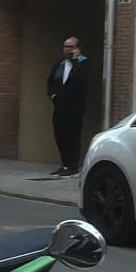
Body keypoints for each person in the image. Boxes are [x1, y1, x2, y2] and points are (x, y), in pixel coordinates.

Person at [47, 35, 90, 177]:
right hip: (59, 107)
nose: (67, 50)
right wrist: (52, 95)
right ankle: (65, 164)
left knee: (72, 136)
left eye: (70, 47)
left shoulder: (83, 63)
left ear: (78, 49)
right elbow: (51, 80)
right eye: (65, 46)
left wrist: (76, 59)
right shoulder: (60, 64)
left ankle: (73, 166)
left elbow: (80, 79)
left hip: (74, 107)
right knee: (60, 135)